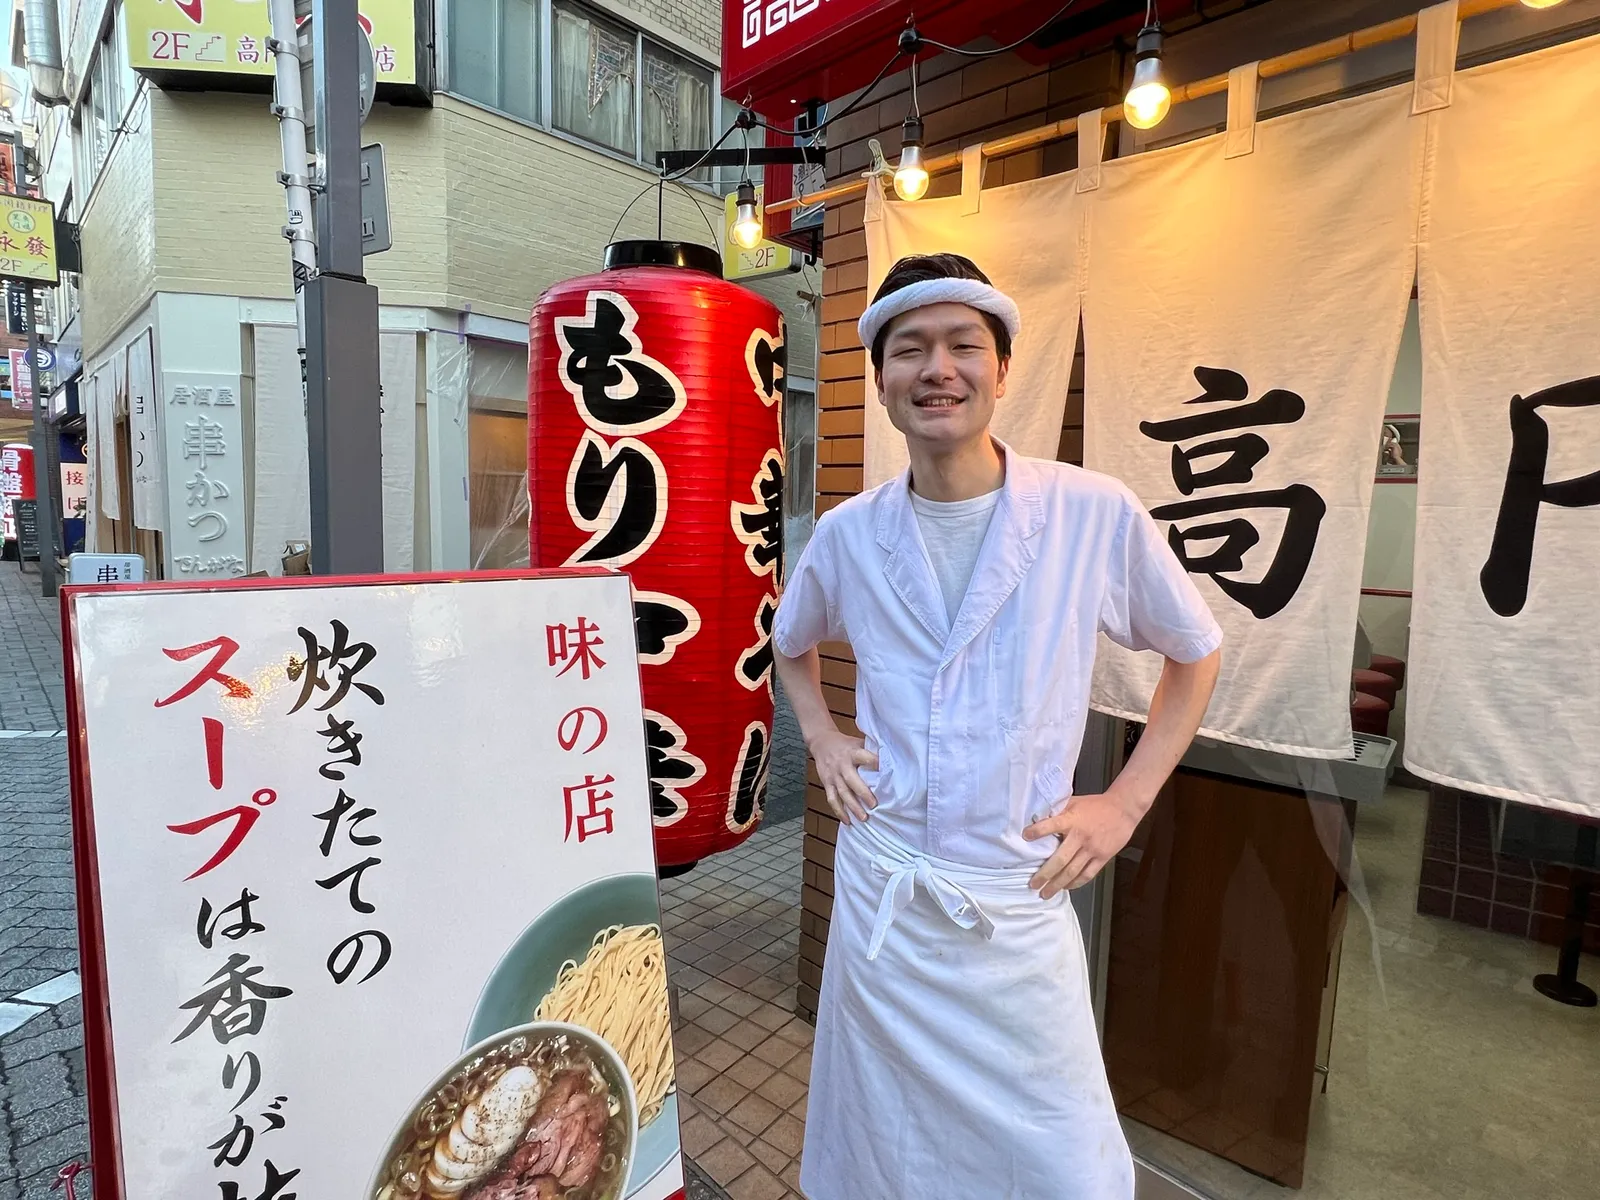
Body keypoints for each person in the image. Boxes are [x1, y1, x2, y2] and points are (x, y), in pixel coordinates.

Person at [773, 253, 1224, 1199]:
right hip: (885, 895)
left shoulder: (1089, 513)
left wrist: (1125, 803)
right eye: (910, 349)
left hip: (1014, 900)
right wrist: (821, 737)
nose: (938, 369)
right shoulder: (851, 533)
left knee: (1059, 1160)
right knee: (881, 1148)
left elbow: (1195, 652)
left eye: (963, 346)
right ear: (882, 383)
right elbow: (792, 643)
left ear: (1003, 370)